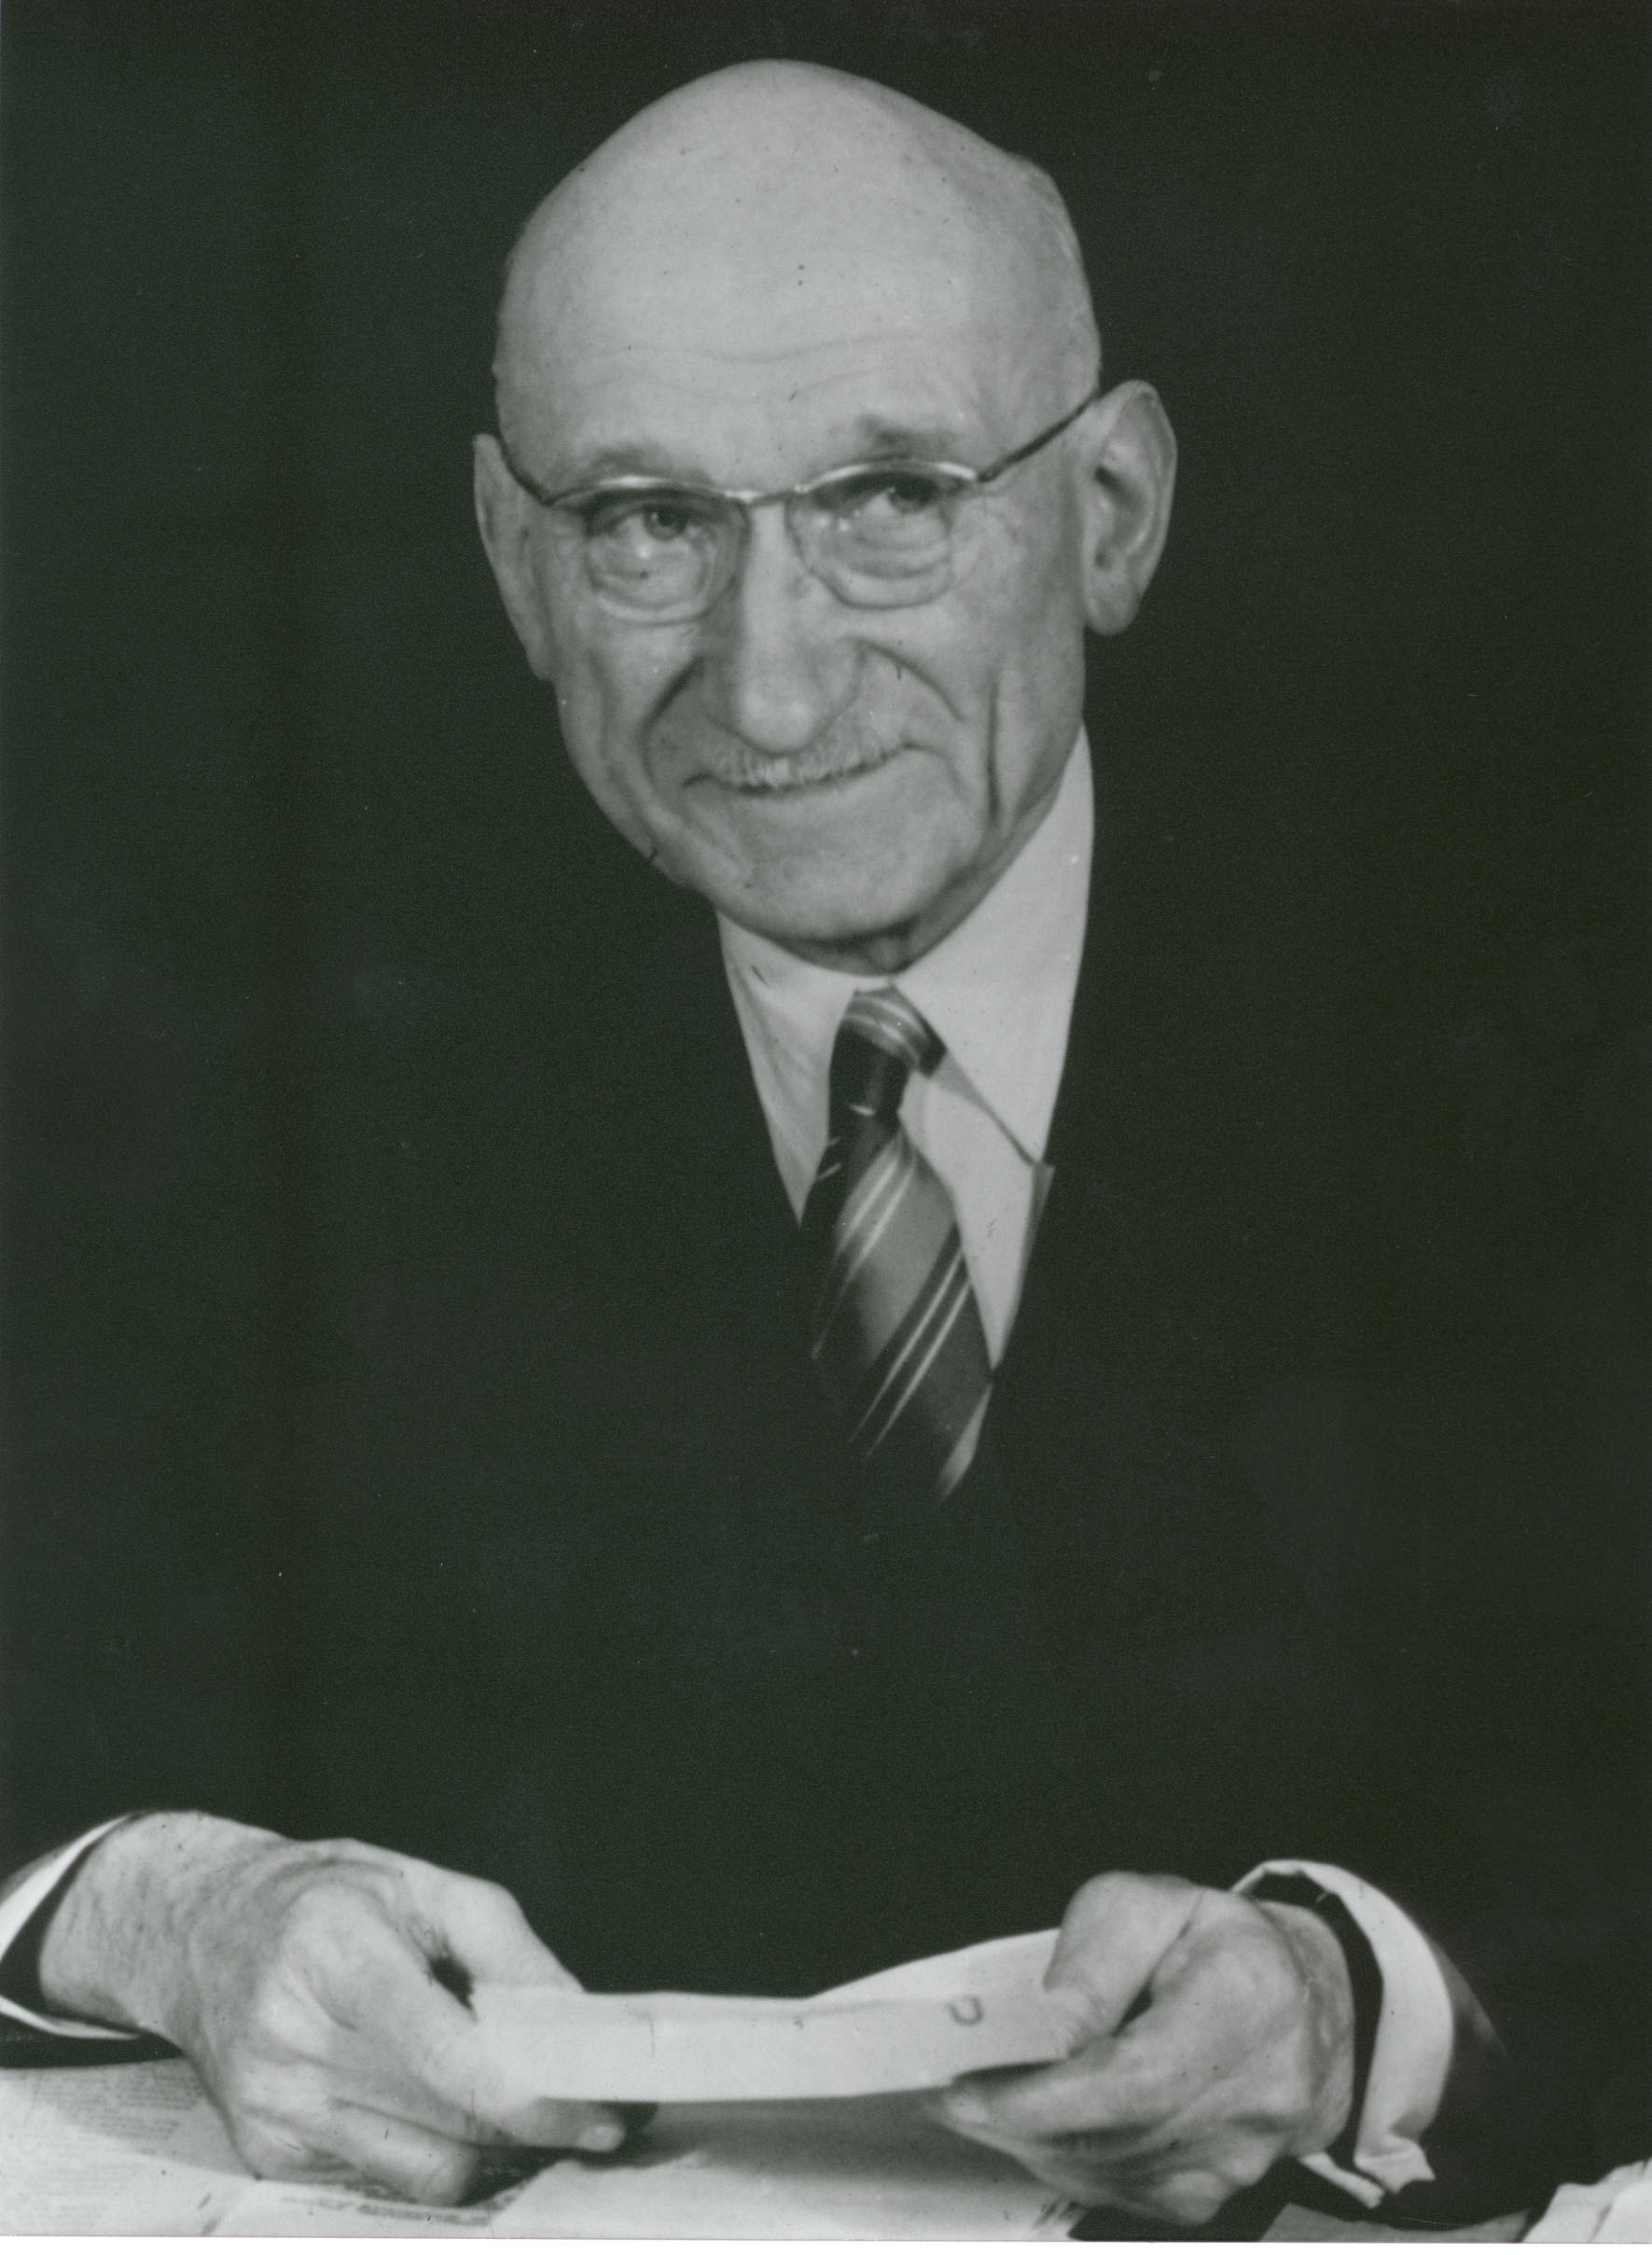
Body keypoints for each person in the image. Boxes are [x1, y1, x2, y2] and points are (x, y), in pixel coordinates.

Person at [1, 59, 1642, 2227]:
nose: (768, 688)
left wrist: (1363, 1997)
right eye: (646, 523)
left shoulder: (1530, 1015)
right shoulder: (268, 1045)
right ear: (514, 558)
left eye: (891, 499)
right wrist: (178, 1911)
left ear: (1112, 512)